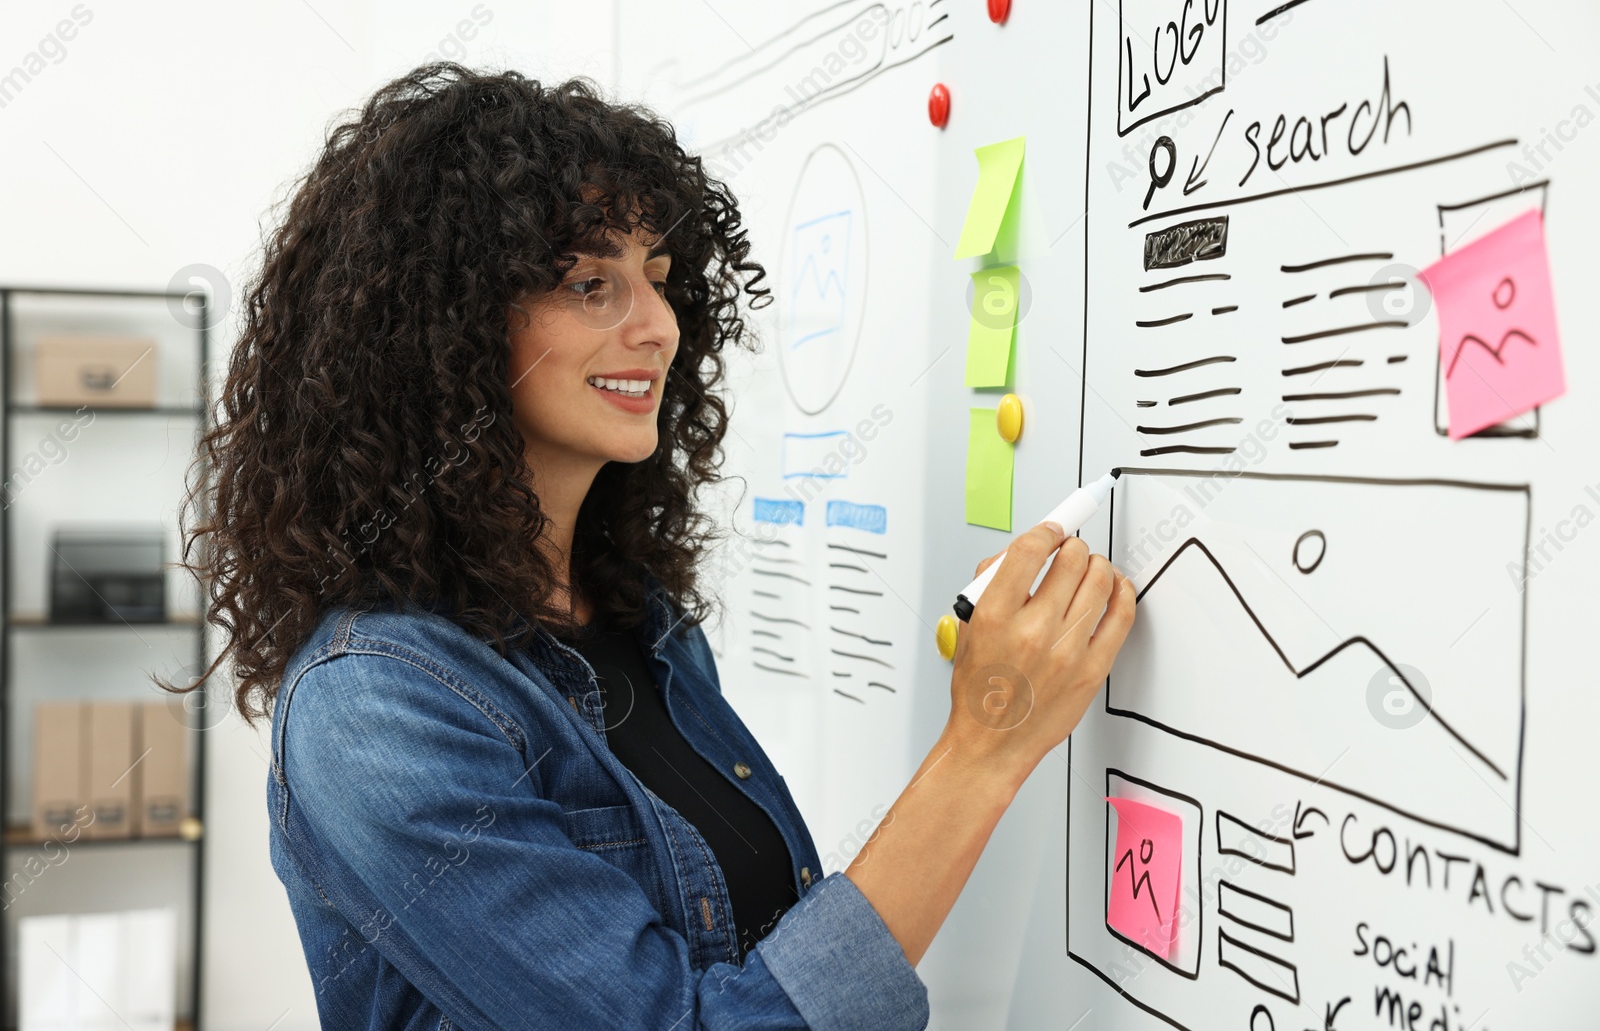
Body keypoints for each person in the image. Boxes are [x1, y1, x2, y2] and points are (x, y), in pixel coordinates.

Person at [181, 62, 1136, 1030]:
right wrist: (983, 746)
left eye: (660, 279)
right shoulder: (378, 701)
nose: (657, 327)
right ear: (441, 328)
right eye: (589, 283)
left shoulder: (640, 622)